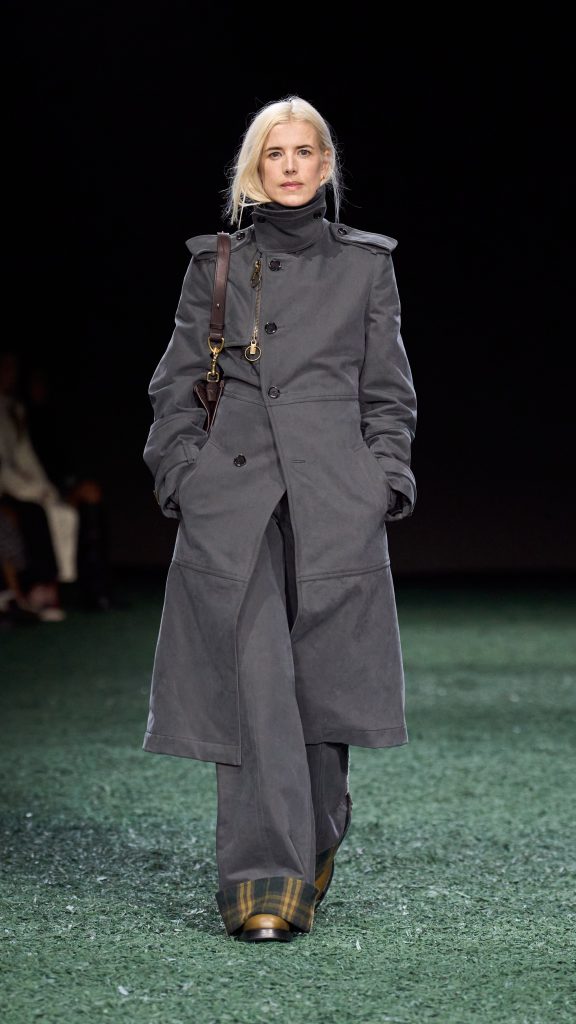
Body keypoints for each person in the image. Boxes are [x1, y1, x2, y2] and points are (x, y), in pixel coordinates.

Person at [142, 96, 417, 943]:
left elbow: (388, 391)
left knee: (321, 691)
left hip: (334, 497)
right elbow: (176, 383)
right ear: (253, 169)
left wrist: (382, 480)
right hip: (236, 500)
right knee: (255, 681)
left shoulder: (366, 267)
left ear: (325, 166)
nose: (290, 166)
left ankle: (318, 829)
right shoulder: (215, 264)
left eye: (304, 152)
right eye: (274, 153)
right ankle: (264, 880)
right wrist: (182, 473)